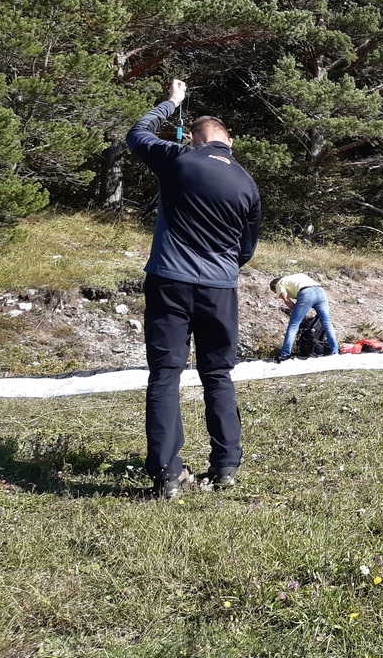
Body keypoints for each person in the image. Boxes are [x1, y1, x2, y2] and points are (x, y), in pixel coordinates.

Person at [127, 78, 261, 499]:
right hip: (220, 288)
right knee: (218, 374)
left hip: (170, 280)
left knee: (166, 374)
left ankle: (167, 474)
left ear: (194, 138)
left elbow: (137, 134)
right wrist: (219, 268)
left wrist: (171, 102)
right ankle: (225, 466)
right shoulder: (247, 184)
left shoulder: (179, 158)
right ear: (229, 142)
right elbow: (246, 249)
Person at [271, 273, 341, 360]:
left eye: (276, 292)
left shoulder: (279, 283)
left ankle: (285, 354)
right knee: (327, 324)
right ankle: (335, 351)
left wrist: (298, 314)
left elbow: (286, 300)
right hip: (321, 291)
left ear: (275, 286)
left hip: (306, 293)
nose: (278, 295)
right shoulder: (296, 277)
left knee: (293, 326)